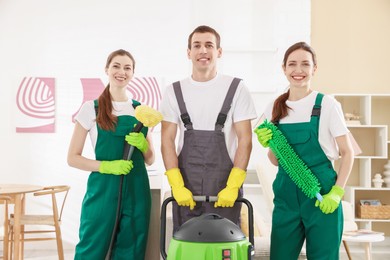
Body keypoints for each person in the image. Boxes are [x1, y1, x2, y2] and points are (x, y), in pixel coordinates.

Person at [254, 42, 354, 259]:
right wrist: (271, 144)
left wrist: (337, 192)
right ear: (284, 68)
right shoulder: (273, 106)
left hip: (322, 192)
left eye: (305, 64)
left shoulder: (327, 104)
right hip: (286, 194)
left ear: (314, 69)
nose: (298, 70)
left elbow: (348, 152)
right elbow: (276, 160)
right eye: (292, 64)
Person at [160, 25, 257, 232]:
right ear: (189, 53)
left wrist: (233, 185)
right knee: (188, 247)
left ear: (218, 52)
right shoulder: (173, 91)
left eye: (209, 45)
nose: (203, 51)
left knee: (225, 248)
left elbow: (245, 140)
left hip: (225, 186)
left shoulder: (237, 89)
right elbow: (166, 140)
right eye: (197, 45)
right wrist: (177, 185)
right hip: (187, 186)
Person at [67, 49, 155, 259]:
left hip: (136, 189)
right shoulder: (92, 109)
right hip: (103, 188)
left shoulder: (140, 111)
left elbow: (151, 159)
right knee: (91, 245)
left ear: (133, 73)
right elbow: (72, 158)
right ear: (107, 69)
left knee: (131, 248)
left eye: (127, 68)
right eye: (116, 66)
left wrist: (143, 145)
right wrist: (106, 166)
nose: (121, 72)